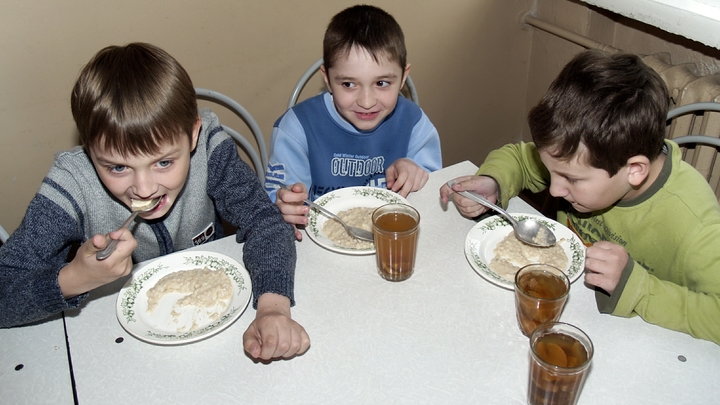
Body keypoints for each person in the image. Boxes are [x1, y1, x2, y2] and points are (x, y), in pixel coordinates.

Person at [0, 43, 311, 360]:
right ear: (90, 152)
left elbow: (265, 221)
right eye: (118, 167)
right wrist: (74, 279)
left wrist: (273, 308)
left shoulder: (208, 148)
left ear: (192, 136)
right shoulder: (73, 182)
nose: (145, 189)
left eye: (164, 163)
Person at [441, 49, 720, 344]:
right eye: (553, 173)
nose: (555, 190)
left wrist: (638, 288)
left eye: (571, 180)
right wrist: (494, 181)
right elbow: (519, 158)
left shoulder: (694, 224)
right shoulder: (582, 158)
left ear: (635, 170)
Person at [264, 4, 442, 240]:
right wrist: (287, 205)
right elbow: (279, 204)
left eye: (382, 83)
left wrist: (415, 172)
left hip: (393, 240)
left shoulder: (415, 125)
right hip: (321, 246)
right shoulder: (296, 129)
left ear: (403, 78)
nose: (367, 102)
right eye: (348, 84)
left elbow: (433, 202)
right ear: (327, 78)